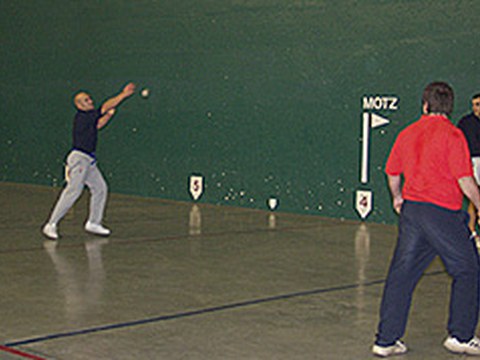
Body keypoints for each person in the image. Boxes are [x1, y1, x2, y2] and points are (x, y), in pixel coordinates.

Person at [372, 82, 480, 357]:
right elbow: (465, 181)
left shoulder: (407, 133)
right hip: (442, 214)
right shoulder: (453, 136)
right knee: (468, 270)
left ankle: (385, 340)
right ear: (450, 107)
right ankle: (461, 335)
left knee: (402, 275)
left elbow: (392, 173)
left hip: (413, 214)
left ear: (425, 105)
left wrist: (397, 198)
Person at [42, 83, 136, 240]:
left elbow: (98, 125)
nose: (90, 101)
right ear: (79, 105)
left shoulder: (89, 118)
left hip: (89, 161)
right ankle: (51, 224)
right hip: (79, 159)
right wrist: (123, 95)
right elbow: (105, 106)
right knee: (73, 191)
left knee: (100, 188)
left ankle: (94, 222)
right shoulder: (83, 116)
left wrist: (108, 116)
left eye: (90, 99)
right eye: (86, 100)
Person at [457, 93, 480, 242]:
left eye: (478, 104)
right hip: (472, 161)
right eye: (474, 104)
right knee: (475, 196)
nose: (475, 108)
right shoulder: (466, 122)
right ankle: (471, 231)